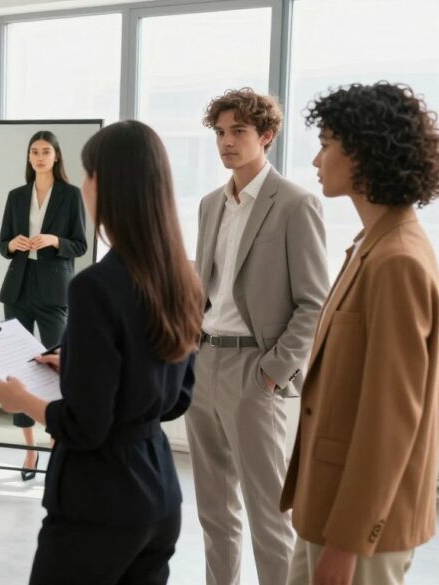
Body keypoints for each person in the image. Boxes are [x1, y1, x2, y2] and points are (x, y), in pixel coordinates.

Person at [0, 120, 202, 585]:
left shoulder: (94, 287)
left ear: (105, 185)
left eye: (89, 174)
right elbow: (177, 397)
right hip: (161, 494)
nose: (85, 185)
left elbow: (86, 426)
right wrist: (83, 364)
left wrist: (22, 400)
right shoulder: (182, 278)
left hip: (99, 502)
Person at [281, 82, 439, 585]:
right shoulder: (370, 246)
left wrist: (347, 544)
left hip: (361, 525)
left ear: (364, 153)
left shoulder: (398, 261)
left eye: (326, 144)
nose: (316, 160)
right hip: (327, 503)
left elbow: (391, 420)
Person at [187, 88, 329, 585]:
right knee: (213, 512)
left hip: (255, 369)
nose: (226, 142)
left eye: (239, 132)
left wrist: (272, 372)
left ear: (266, 136)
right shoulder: (210, 205)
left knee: (269, 515)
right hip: (203, 364)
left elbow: (314, 302)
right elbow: (206, 289)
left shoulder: (295, 204)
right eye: (221, 133)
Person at [0, 130, 87, 479]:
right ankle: (30, 449)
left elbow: (79, 244)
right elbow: (2, 243)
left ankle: (55, 443)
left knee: (54, 366)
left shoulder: (71, 195)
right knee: (18, 366)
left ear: (56, 156)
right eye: (34, 151)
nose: (39, 157)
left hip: (54, 290)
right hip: (18, 288)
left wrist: (54, 240)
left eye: (46, 151)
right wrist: (12, 244)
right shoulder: (16, 196)